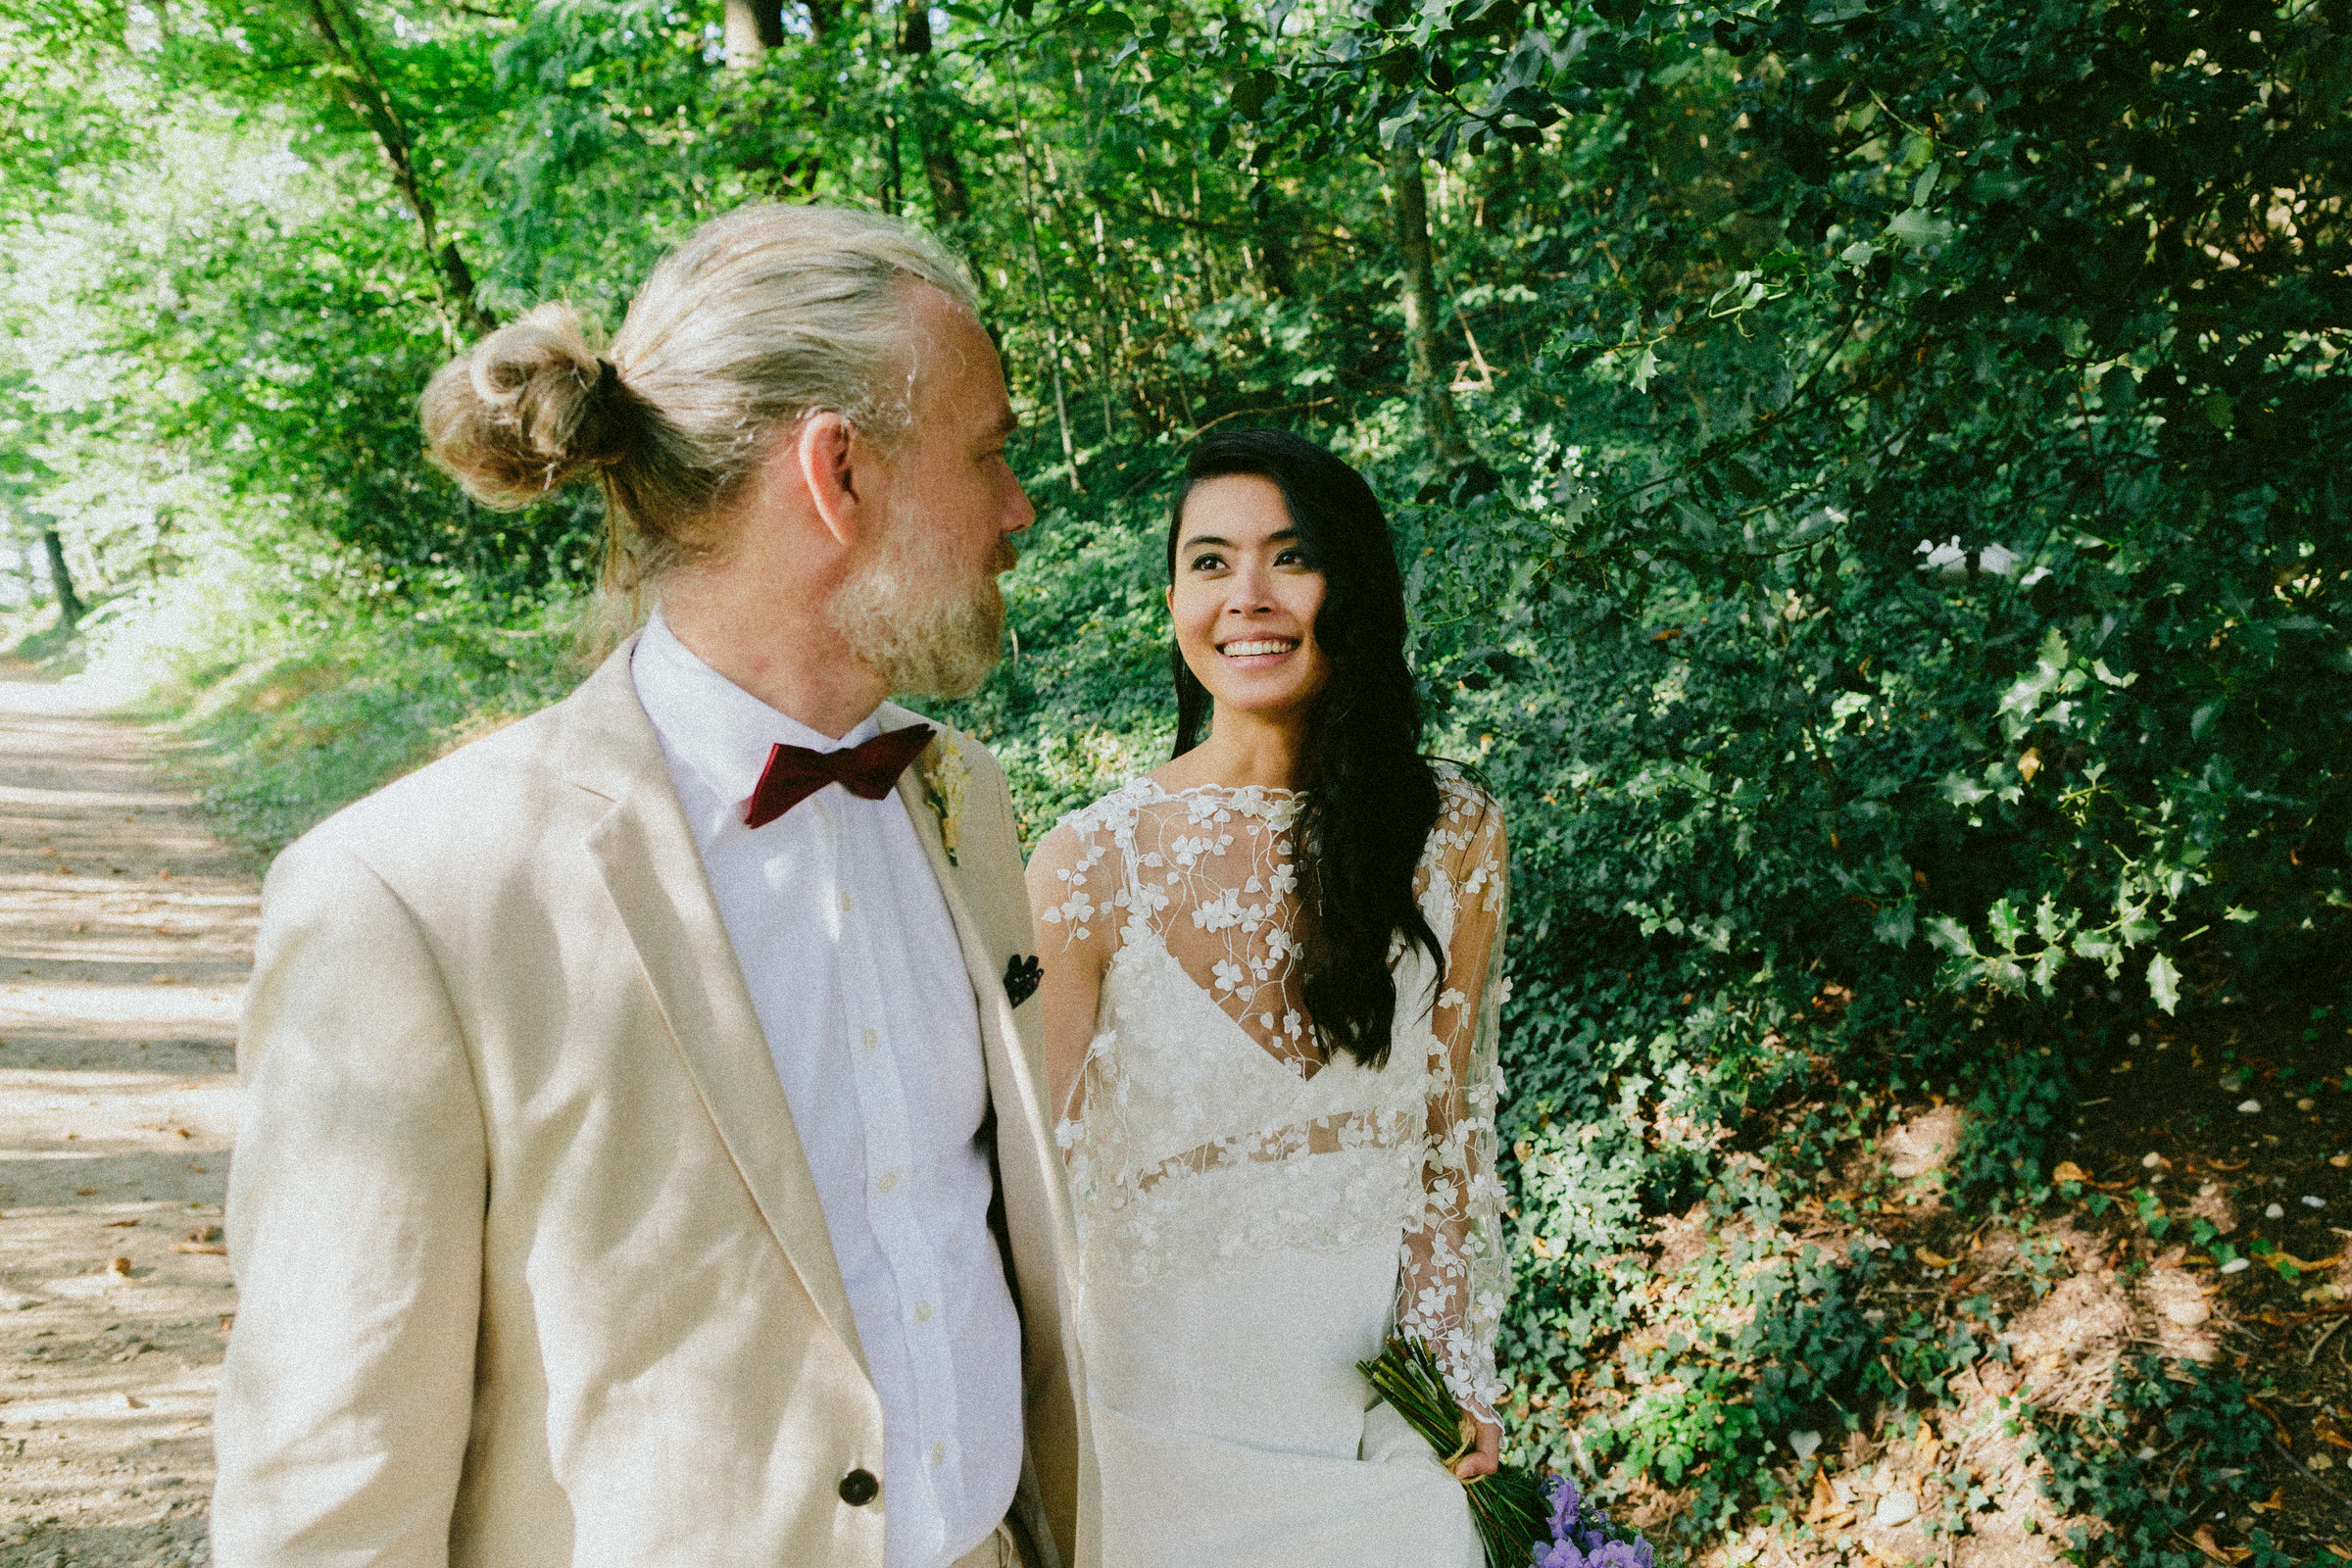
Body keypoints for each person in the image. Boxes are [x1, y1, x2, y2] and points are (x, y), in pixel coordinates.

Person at [213, 205, 1091, 1568]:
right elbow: (326, 1495)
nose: (1018, 506)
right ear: (837, 474)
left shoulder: (962, 801)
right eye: (988, 455)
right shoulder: (407, 900)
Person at [1024, 429, 1510, 1568]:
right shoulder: (1092, 865)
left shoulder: (1454, 836)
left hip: (1374, 1443)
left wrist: (1454, 1371)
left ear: (1352, 584)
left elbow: (1450, 1138)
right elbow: (1020, 1189)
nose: (1247, 597)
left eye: (1289, 557)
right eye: (1208, 562)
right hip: (1153, 1455)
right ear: (1173, 598)